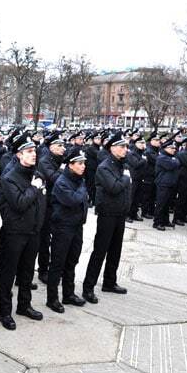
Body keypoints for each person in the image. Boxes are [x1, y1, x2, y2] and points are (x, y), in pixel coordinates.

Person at [0, 133, 46, 330]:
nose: (33, 155)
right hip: (14, 233)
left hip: (33, 231)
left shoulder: (37, 175)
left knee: (27, 272)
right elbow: (19, 203)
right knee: (8, 274)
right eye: (28, 152)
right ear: (19, 155)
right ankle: (5, 312)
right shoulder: (9, 178)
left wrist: (39, 224)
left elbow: (43, 203)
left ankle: (24, 305)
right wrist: (34, 189)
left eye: (34, 151)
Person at [82, 131, 131, 304]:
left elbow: (124, 188)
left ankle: (110, 282)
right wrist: (125, 178)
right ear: (113, 149)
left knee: (115, 250)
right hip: (107, 213)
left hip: (120, 213)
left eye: (126, 146)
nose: (125, 149)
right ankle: (88, 287)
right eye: (122, 147)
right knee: (100, 250)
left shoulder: (121, 165)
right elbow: (114, 187)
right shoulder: (105, 167)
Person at [46, 148, 89, 313]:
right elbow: (74, 199)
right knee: (57, 263)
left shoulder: (79, 180)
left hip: (76, 226)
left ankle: (68, 294)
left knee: (72, 261)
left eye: (83, 163)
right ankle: (52, 298)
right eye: (79, 163)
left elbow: (82, 199)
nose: (83, 166)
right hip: (63, 227)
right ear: (70, 165)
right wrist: (82, 191)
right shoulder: (62, 182)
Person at [36, 132, 65, 284]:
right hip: (47, 205)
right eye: (59, 145)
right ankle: (43, 269)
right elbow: (54, 178)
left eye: (63, 145)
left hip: (59, 204)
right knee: (44, 239)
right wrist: (64, 169)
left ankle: (56, 267)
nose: (63, 148)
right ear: (51, 146)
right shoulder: (44, 160)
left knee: (58, 239)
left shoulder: (61, 159)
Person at [153, 139, 180, 230]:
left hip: (170, 184)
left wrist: (175, 160)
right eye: (171, 148)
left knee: (167, 204)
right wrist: (175, 160)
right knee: (161, 204)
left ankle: (165, 221)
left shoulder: (170, 157)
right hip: (163, 184)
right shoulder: (162, 157)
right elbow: (174, 164)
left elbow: (176, 162)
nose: (174, 150)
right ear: (165, 148)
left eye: (174, 148)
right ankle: (157, 222)